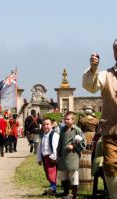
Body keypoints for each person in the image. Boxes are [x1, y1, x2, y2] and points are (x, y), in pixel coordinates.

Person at [82, 41, 117, 199]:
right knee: (110, 165)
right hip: (111, 131)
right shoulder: (105, 74)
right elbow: (91, 86)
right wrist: (93, 69)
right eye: (116, 49)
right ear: (114, 53)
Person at [56, 112, 86, 199]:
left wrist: (73, 145)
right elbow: (60, 143)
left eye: (68, 119)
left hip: (73, 156)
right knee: (63, 174)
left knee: (73, 175)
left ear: (73, 120)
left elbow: (83, 143)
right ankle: (65, 192)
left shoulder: (77, 130)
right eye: (65, 119)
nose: (66, 120)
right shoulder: (62, 130)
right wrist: (58, 154)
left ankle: (73, 194)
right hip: (63, 156)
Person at [37, 118, 60, 196]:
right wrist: (39, 158)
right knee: (47, 173)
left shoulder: (54, 134)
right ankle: (52, 187)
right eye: (43, 125)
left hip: (51, 157)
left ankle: (53, 188)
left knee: (51, 173)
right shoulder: (43, 135)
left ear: (52, 125)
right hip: (44, 157)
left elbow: (55, 147)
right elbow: (40, 148)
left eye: (47, 124)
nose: (45, 126)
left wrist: (54, 157)